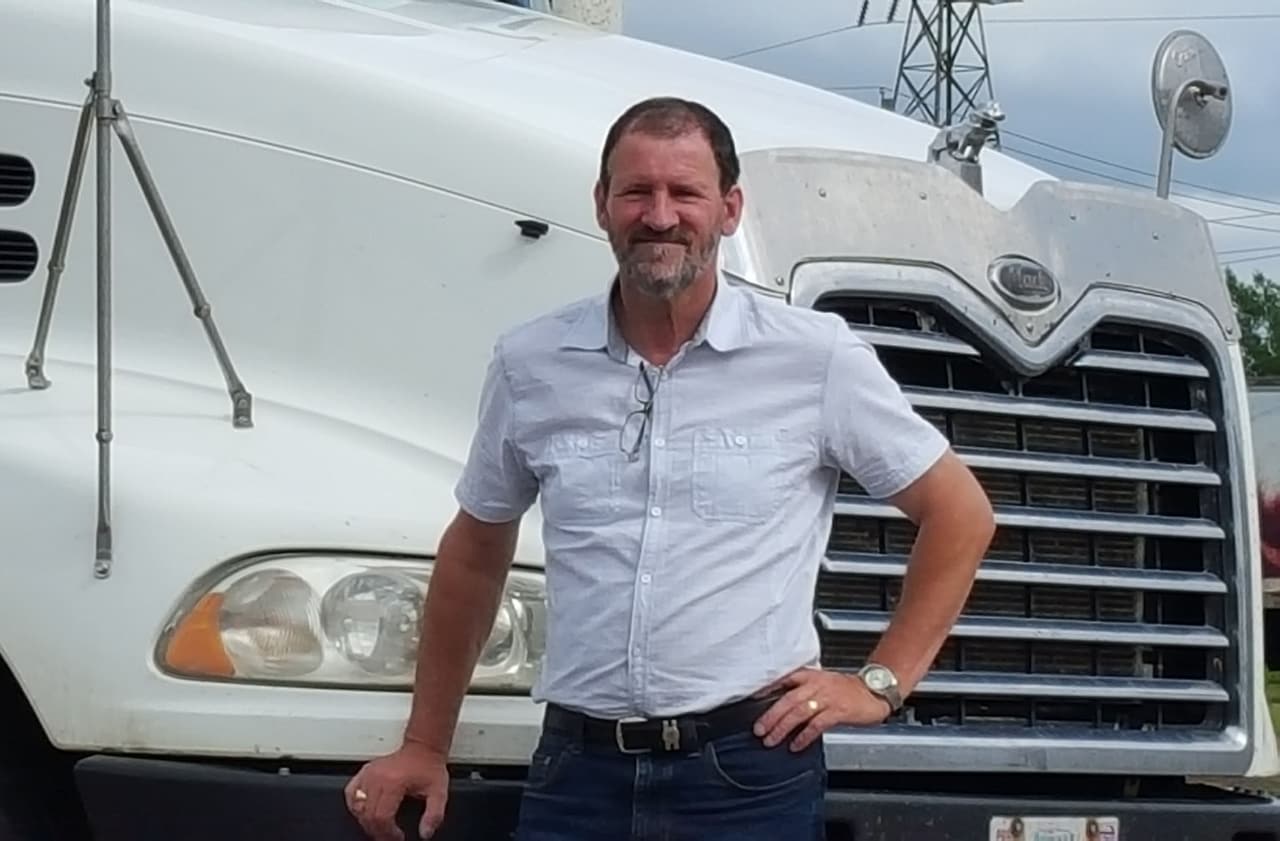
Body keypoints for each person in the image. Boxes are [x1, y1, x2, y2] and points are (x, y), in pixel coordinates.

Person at [343, 96, 996, 841]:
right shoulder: (531, 363)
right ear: (601, 204)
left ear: (729, 208)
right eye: (636, 191)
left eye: (685, 192)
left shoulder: (815, 358)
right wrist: (426, 744)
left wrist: (880, 682)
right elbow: (474, 551)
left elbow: (960, 513)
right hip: (576, 775)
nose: (659, 216)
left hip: (748, 776)